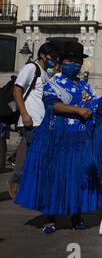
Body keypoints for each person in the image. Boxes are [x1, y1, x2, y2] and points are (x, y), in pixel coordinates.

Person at [15, 41, 102, 234]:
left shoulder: (85, 87)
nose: (73, 64)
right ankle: (50, 219)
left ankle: (76, 216)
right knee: (54, 177)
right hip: (56, 140)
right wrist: (77, 110)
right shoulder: (53, 83)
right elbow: (51, 105)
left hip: (80, 141)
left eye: (76, 61)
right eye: (69, 60)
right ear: (62, 62)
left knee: (78, 179)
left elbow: (95, 106)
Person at [6, 42, 60, 199]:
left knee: (34, 155)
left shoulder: (44, 73)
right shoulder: (31, 68)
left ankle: (21, 183)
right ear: (43, 55)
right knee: (41, 155)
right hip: (32, 121)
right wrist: (24, 115)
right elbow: (17, 89)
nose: (54, 60)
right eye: (52, 57)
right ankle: (19, 181)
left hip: (42, 122)